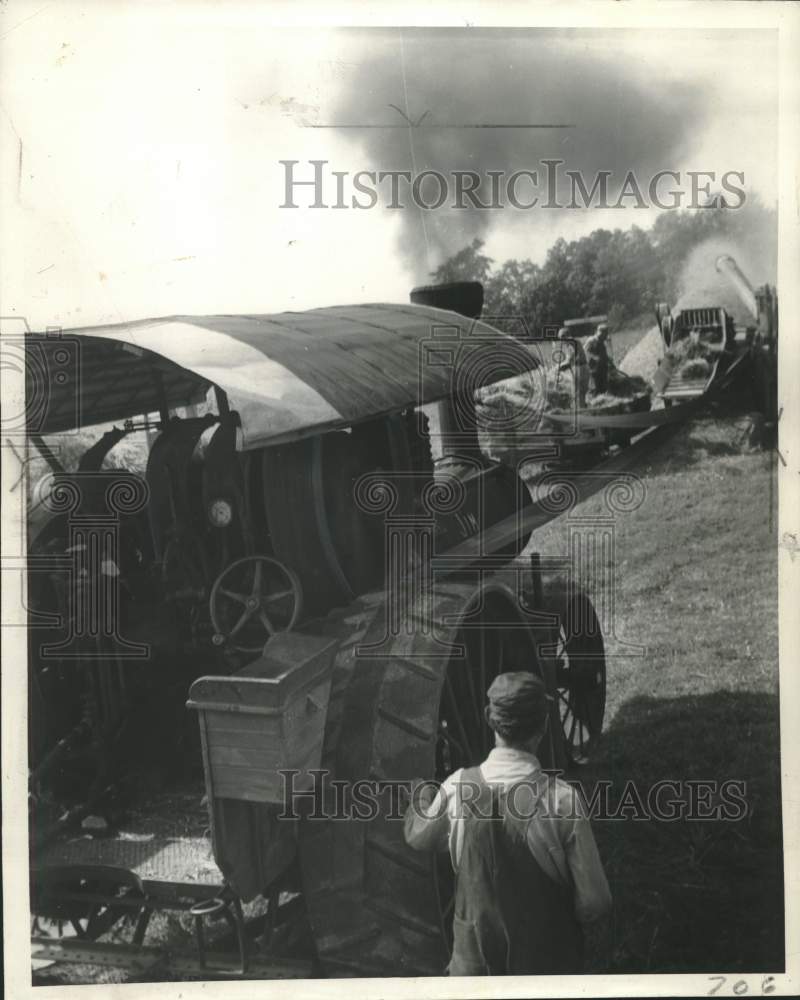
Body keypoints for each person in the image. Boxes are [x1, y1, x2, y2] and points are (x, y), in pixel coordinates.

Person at [404, 671, 612, 976]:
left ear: (489, 718)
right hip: (547, 974)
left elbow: (420, 837)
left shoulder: (457, 787)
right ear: (542, 726)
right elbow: (595, 901)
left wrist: (421, 798)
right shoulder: (563, 799)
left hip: (475, 979)